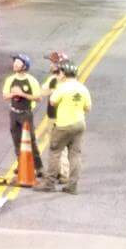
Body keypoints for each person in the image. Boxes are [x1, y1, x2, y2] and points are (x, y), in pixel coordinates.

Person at [41, 60, 91, 193]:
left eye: (61, 71)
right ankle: (72, 185)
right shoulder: (83, 88)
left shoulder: (62, 87)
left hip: (63, 125)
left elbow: (52, 101)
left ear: (64, 73)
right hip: (79, 124)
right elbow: (88, 107)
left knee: (55, 152)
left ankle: (49, 184)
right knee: (75, 155)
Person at [0, 54, 43, 178]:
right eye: (15, 62)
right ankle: (21, 164)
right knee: (17, 141)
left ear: (24, 66)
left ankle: (38, 167)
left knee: (31, 141)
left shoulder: (31, 80)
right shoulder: (10, 79)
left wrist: (22, 94)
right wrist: (13, 94)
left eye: (18, 63)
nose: (15, 65)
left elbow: (38, 97)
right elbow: (5, 96)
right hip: (14, 113)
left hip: (26, 114)